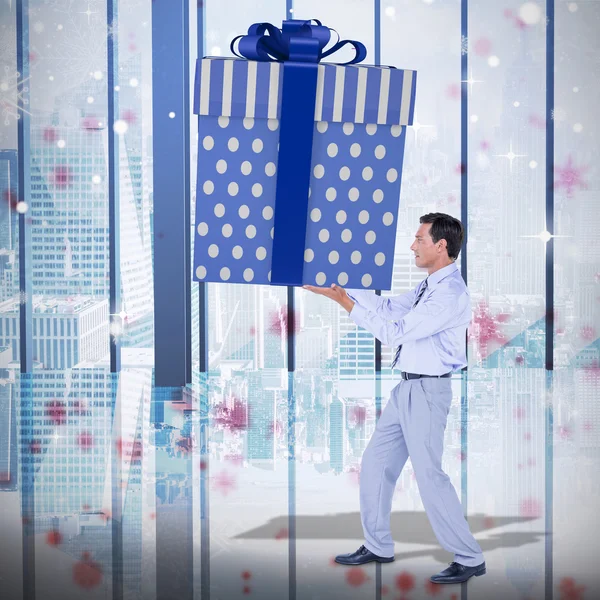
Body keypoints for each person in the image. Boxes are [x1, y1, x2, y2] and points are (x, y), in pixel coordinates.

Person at [303, 213, 486, 584]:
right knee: (374, 465)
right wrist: (343, 292)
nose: (412, 246)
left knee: (429, 476)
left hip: (428, 391)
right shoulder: (429, 285)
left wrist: (346, 305)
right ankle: (378, 545)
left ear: (441, 246)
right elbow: (387, 308)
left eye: (419, 239)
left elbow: (394, 332)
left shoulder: (449, 294)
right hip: (406, 390)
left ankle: (469, 557)